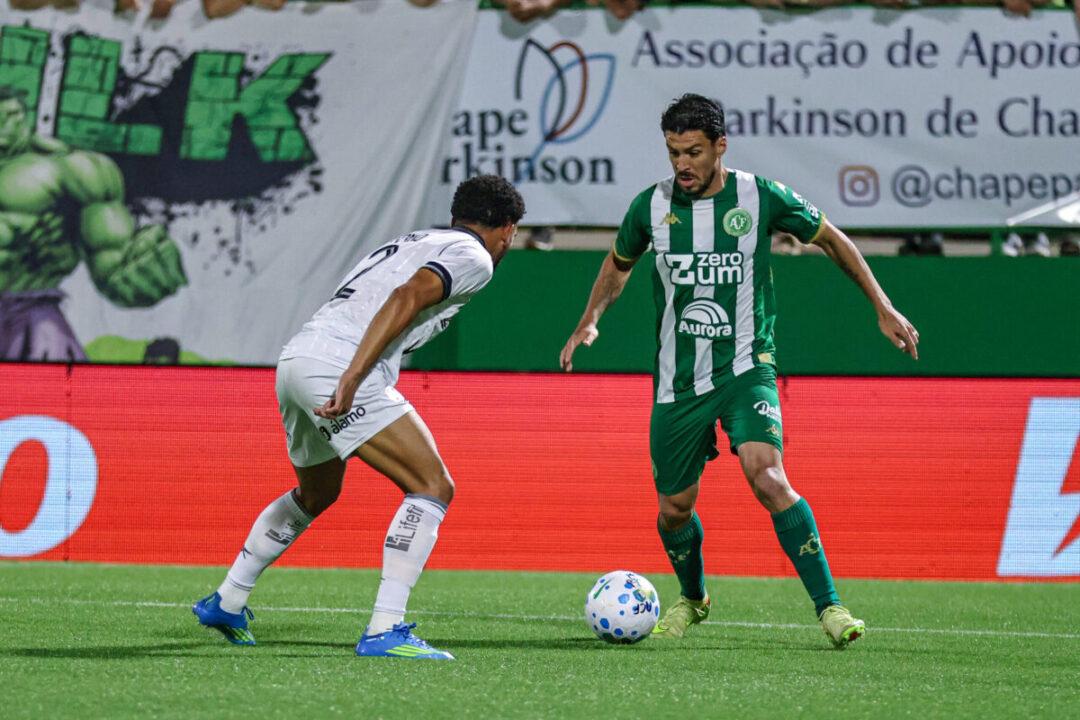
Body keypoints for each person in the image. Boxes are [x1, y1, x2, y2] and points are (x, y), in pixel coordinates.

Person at [559, 94, 919, 649]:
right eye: (674, 152)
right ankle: (695, 598)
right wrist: (590, 319)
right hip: (678, 381)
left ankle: (830, 608)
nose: (682, 164)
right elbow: (618, 264)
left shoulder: (759, 196)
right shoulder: (649, 207)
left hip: (748, 366)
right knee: (674, 510)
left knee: (768, 477)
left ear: (720, 146)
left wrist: (882, 304)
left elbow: (831, 237)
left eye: (694, 152)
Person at [193, 174, 525, 660]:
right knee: (432, 486)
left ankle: (228, 599)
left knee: (318, 491)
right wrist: (351, 377)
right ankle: (385, 630)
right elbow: (405, 297)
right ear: (507, 230)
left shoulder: (413, 239)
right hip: (338, 368)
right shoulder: (473, 256)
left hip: (296, 360)